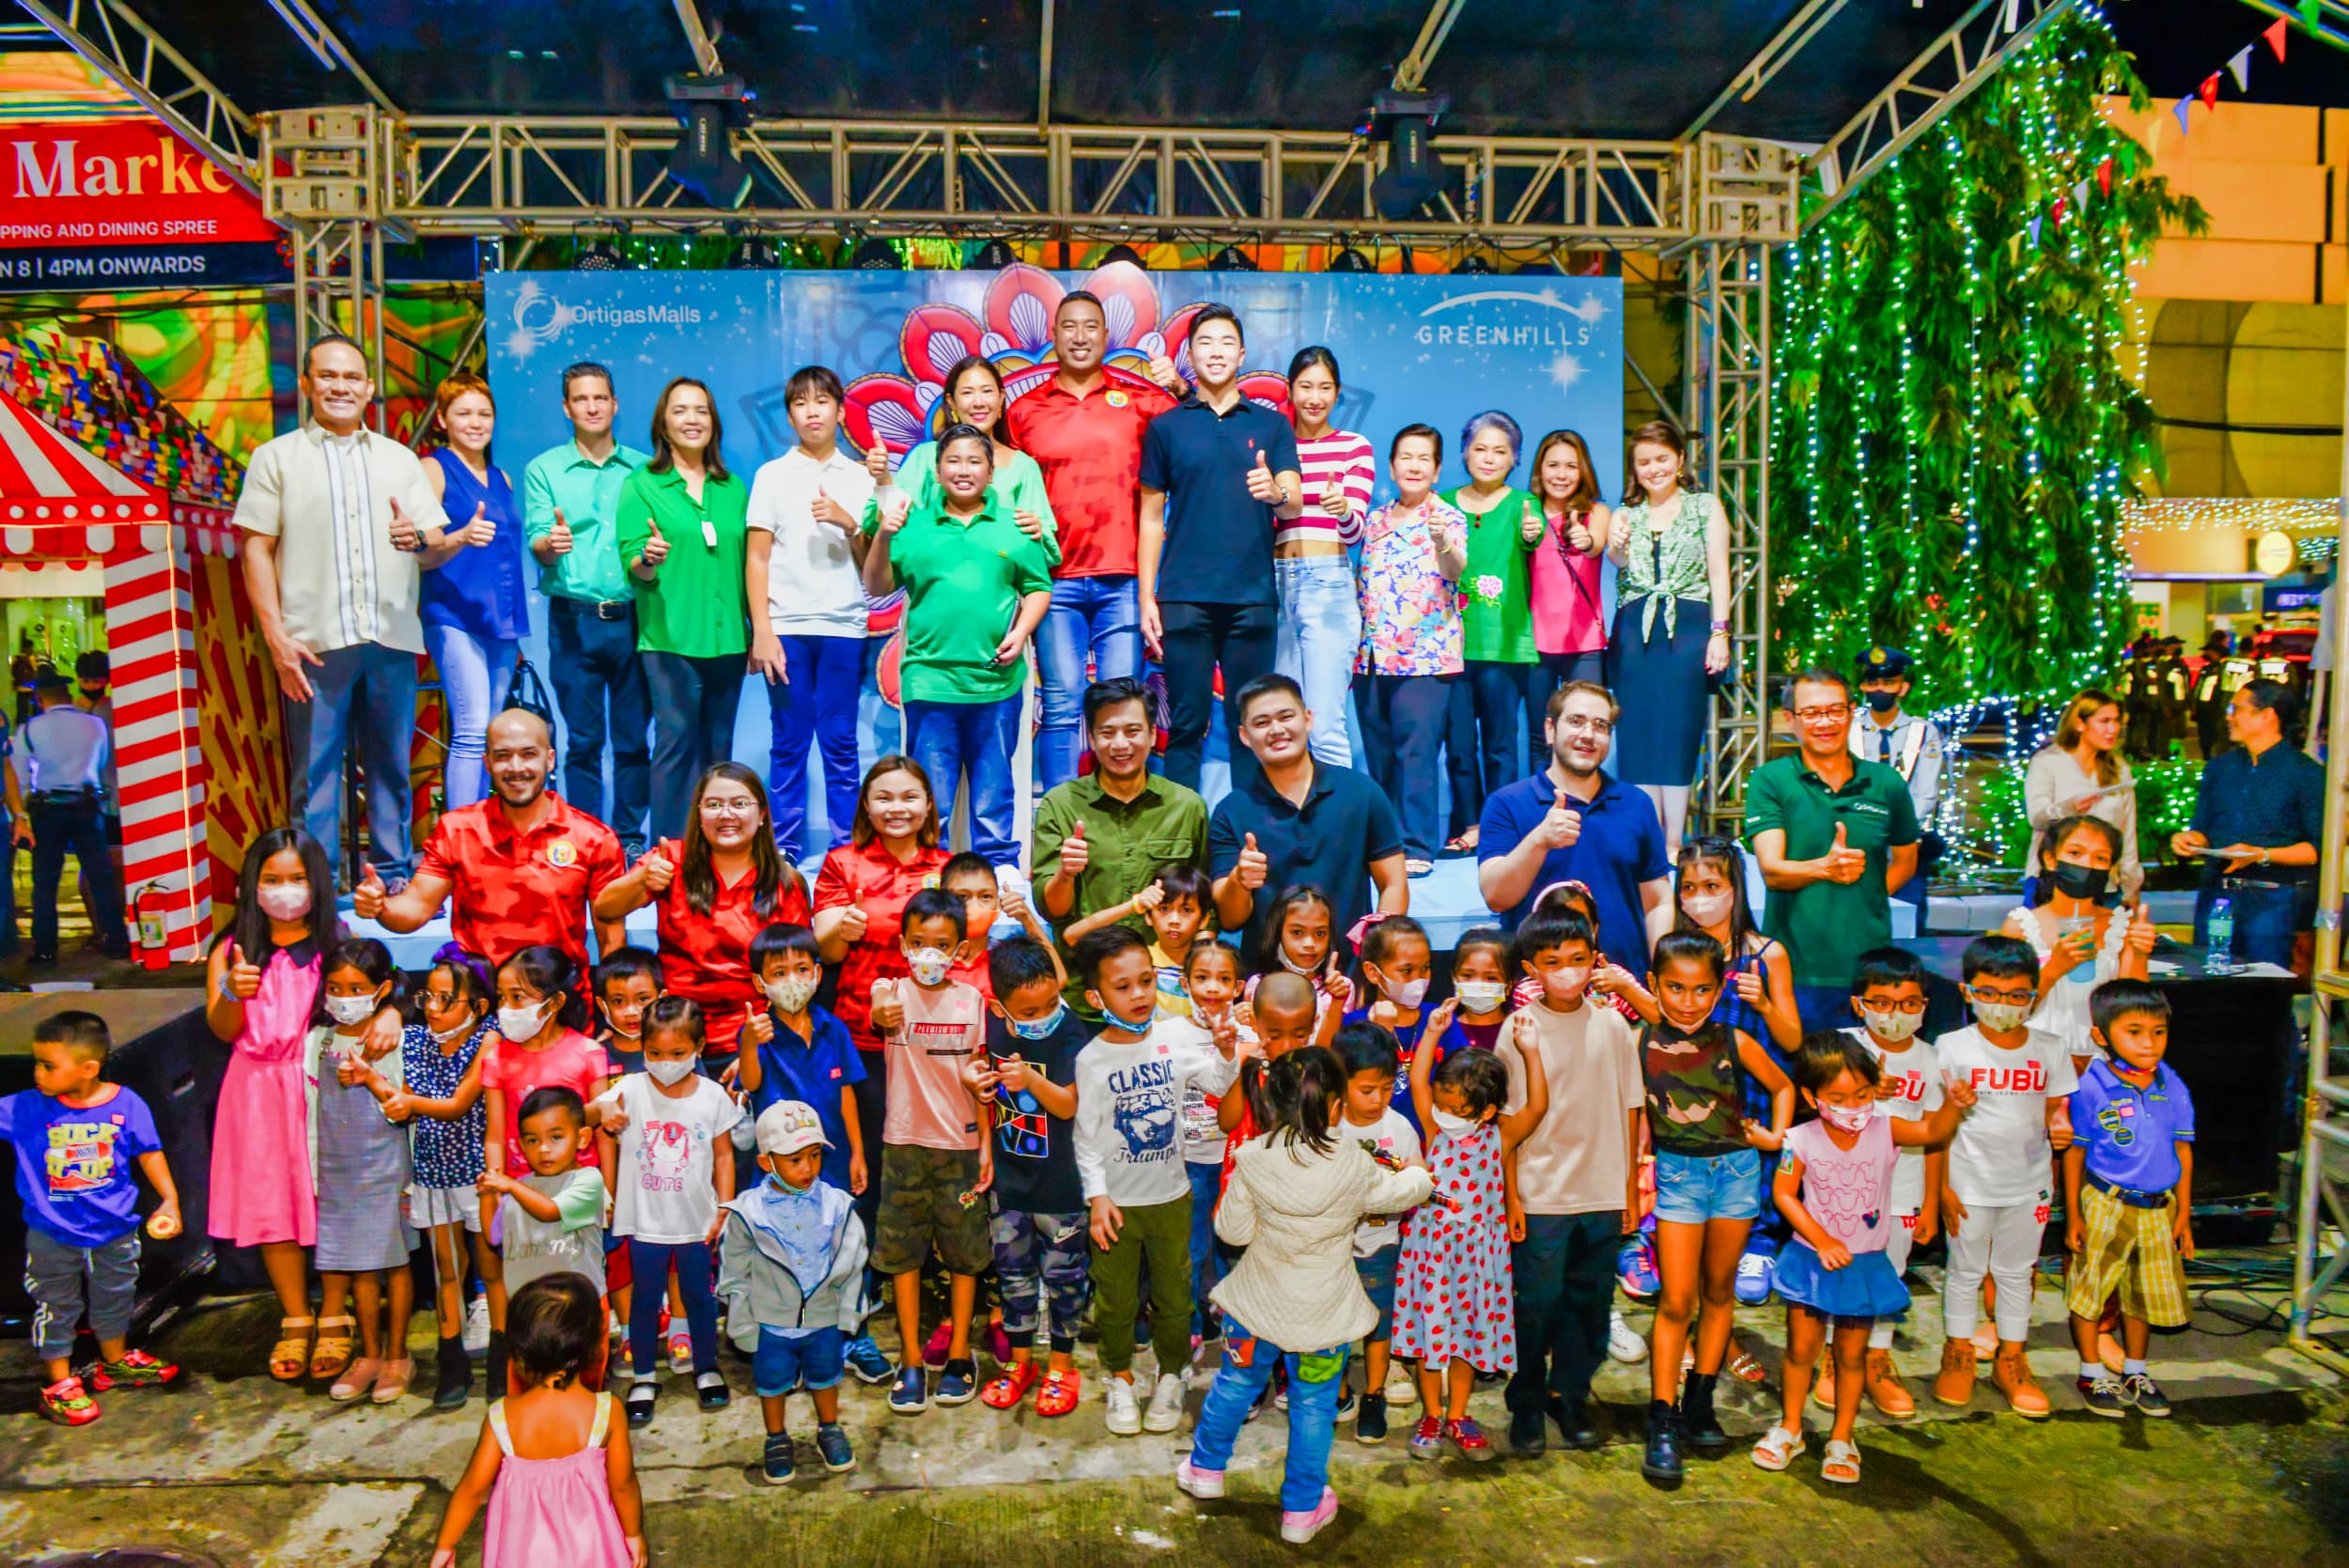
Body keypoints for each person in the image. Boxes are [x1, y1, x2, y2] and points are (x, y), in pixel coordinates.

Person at [1176, 1046, 1435, 1545]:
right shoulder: (1354, 1165)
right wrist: (1419, 1177)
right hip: (1325, 1316)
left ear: (1272, 1102)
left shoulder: (1253, 1156)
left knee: (1235, 1385)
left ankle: (1205, 1471)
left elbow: (1231, 1231)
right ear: (1335, 1106)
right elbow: (1400, 1192)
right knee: (1314, 1406)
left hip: (1254, 1309)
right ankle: (1301, 1510)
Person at [236, 332, 457, 882]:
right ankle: (314, 886)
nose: (340, 386)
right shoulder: (276, 459)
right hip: (311, 645)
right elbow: (255, 548)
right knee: (315, 774)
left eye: (351, 377)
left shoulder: (400, 459)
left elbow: (434, 546)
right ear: (308, 384)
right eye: (328, 376)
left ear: (369, 388)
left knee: (391, 768)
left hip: (390, 639)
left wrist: (420, 542)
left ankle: (391, 876)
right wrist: (276, 638)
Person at [1750, 1032, 1973, 1486]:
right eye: (1838, 1098)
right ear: (1813, 1097)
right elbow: (1784, 1195)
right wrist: (1822, 1239)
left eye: (1863, 1094)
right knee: (1799, 1351)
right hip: (1811, 1261)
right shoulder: (1799, 1139)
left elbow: (1933, 1131)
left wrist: (1954, 1104)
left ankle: (1842, 1438)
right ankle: (1790, 1426)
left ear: (1876, 1088)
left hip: (1864, 1265)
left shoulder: (1887, 1129)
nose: (1853, 1106)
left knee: (1851, 1357)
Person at [812, 755, 953, 1385]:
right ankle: (861, 1307)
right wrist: (839, 928)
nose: (897, 807)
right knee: (864, 1175)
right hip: (863, 1043)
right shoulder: (843, 864)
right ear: (866, 806)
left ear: (929, 805)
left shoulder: (948, 867)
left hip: (936, 1048)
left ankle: (938, 1298)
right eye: (883, 797)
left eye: (910, 796)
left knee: (931, 1169)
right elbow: (827, 952)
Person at [1007, 288, 1181, 787]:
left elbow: (1194, 434)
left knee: (1121, 708)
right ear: (1053, 336)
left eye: (1090, 327)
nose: (1080, 337)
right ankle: (1061, 828)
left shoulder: (1144, 402)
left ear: (1106, 336)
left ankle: (1118, 823)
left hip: (1124, 581)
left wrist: (1182, 389)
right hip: (1053, 582)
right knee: (1061, 705)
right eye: (1069, 327)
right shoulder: (1024, 410)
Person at [1073, 924, 1241, 1436]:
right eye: (1123, 987)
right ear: (1095, 995)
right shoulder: (1092, 1059)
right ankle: (1120, 1377)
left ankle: (1172, 1375)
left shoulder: (1170, 1038)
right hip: (1117, 1207)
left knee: (1175, 1297)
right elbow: (1086, 1137)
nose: (1140, 994)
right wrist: (1097, 1198)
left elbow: (1215, 1083)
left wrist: (1228, 1052)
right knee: (1117, 1301)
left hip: (1172, 1197)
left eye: (1146, 981)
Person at [1637, 931, 1792, 1481]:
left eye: (1701, 990)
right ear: (1655, 984)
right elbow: (1633, 1109)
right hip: (1677, 1176)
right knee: (1677, 1300)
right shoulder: (1640, 1039)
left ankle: (1700, 1404)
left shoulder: (1733, 1039)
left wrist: (1773, 1136)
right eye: (1674, 988)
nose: (1687, 1001)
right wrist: (1639, 1163)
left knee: (1719, 1292)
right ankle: (1662, 1418)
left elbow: (1783, 1085)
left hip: (1737, 1174)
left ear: (1719, 987)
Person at [863, 424, 1054, 868]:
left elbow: (1039, 586)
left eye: (975, 461)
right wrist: (884, 534)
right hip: (930, 681)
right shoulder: (913, 525)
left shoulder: (1015, 526)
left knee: (994, 789)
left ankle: (1000, 872)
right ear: (936, 469)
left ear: (991, 471)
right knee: (932, 792)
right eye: (953, 460)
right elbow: (876, 585)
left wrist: (1021, 631)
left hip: (997, 683)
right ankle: (928, 870)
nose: (963, 470)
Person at [1494, 905, 1645, 1460]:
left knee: (1589, 1301)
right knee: (1535, 1303)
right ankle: (1527, 1400)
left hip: (1603, 1191)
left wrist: (1629, 1189)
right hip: (1540, 1194)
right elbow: (1506, 1122)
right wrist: (1510, 1194)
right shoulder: (1518, 1029)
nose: (1567, 971)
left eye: (1578, 960)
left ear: (1594, 961)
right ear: (1532, 968)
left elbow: (1632, 1108)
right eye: (1554, 962)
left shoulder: (1612, 1024)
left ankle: (1571, 1394)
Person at [1139, 303, 1304, 790]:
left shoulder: (1272, 425)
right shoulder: (1168, 427)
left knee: (1252, 725)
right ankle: (1186, 846)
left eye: (1226, 342)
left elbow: (1292, 503)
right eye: (1205, 342)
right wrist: (1147, 596)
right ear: (1190, 353)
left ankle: (1250, 841)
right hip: (1184, 596)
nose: (1215, 351)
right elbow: (1150, 518)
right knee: (1186, 725)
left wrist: (1276, 492)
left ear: (1243, 353)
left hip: (1251, 597)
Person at [205, 827, 338, 1383]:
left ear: (317, 883)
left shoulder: (334, 945)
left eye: (297, 879)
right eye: (272, 880)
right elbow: (221, 1027)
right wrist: (234, 990)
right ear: (252, 887)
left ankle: (334, 1313)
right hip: (256, 1090)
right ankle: (295, 1314)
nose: (285, 891)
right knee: (272, 1205)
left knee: (328, 1198)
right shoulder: (232, 949)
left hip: (317, 1083)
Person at [4, 1010, 181, 1426]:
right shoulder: (26, 1108)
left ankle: (114, 1360)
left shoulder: (127, 1103)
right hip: (53, 1234)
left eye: (49, 1065)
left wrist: (170, 1200)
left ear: (89, 1068)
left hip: (116, 1230)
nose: (38, 1074)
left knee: (115, 1294)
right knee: (56, 1304)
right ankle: (59, 1382)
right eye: (38, 1063)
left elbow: (149, 1151)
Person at [356, 707, 625, 972]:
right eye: (503, 756)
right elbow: (415, 908)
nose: (516, 768)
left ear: (550, 759)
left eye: (529, 754)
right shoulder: (458, 830)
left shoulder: (593, 839)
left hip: (560, 1005)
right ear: (487, 763)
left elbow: (612, 940)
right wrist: (381, 906)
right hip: (480, 1003)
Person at [1394, 1011, 1549, 1462]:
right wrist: (1433, 1032)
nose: (1443, 1114)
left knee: (1465, 1337)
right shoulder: (1433, 1129)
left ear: (1485, 1111)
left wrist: (1532, 1051)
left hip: (1479, 1258)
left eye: (1455, 1110)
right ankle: (1431, 1414)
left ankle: (1459, 1415)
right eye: (1440, 1105)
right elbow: (1420, 1081)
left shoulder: (1499, 1136)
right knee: (1430, 1338)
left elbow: (1537, 1106)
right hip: (1431, 1254)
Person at [1933, 933, 2077, 1419]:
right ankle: (1958, 1355)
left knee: (2017, 1274)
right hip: (1968, 1184)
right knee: (1965, 1272)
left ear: (2034, 996)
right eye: (1989, 993)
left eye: (2017, 995)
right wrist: (1942, 1188)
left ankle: (2012, 1360)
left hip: (2028, 1185)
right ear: (1967, 991)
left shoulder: (2050, 1048)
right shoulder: (1949, 1048)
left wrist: (2057, 1147)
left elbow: (2056, 1113)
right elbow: (1937, 1126)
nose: (2003, 1006)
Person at [864, 888, 993, 1414]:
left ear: (961, 951)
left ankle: (961, 1354)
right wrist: (880, 1007)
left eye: (941, 945)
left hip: (960, 1146)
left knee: (965, 1256)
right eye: (918, 943)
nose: (929, 955)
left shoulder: (972, 1002)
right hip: (903, 1144)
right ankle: (912, 1360)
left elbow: (982, 1076)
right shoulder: (890, 993)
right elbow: (879, 1010)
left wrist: (986, 1143)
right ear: (902, 944)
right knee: (902, 1258)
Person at [745, 365, 879, 863]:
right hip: (789, 630)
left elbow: (874, 570)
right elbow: (756, 556)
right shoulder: (772, 475)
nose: (812, 411)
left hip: (845, 627)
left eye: (822, 401)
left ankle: (847, 848)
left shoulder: (861, 476)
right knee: (790, 741)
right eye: (800, 403)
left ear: (841, 411)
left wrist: (850, 524)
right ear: (790, 416)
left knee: (841, 742)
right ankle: (783, 847)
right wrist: (763, 630)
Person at [594, 762, 811, 1064]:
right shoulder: (671, 859)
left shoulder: (784, 883)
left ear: (762, 814)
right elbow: (605, 908)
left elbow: (797, 981)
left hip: (756, 1040)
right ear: (699, 813)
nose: (726, 814)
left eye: (739, 804)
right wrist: (641, 879)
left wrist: (755, 1054)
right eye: (713, 805)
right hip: (674, 1038)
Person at [522, 361, 653, 857]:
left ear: (615, 404)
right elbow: (539, 541)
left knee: (633, 740)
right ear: (566, 408)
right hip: (573, 621)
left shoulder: (643, 469)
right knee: (582, 741)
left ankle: (631, 840)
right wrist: (551, 545)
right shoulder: (544, 469)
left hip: (635, 618)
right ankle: (589, 840)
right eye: (581, 399)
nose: (592, 407)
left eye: (600, 398)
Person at [1746, 667, 1921, 1033]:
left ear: (1851, 712)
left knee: (1868, 1082)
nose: (1824, 722)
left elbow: (1906, 861)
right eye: (1811, 713)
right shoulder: (1771, 780)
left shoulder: (1885, 783)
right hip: (1793, 969)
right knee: (1798, 1080)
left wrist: (1864, 897)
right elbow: (1773, 871)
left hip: (1870, 971)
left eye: (1835, 710)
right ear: (1791, 719)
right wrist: (1825, 869)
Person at [593, 996, 741, 1426]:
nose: (664, 1063)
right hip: (644, 1224)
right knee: (643, 1301)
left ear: (699, 1047)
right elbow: (591, 1111)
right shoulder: (629, 1089)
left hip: (696, 1223)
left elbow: (724, 1156)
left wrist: (725, 1207)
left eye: (677, 1054)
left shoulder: (712, 1096)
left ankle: (706, 1367)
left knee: (699, 1297)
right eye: (654, 1053)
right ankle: (643, 1375)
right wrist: (601, 1110)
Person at [429, 1273, 646, 1568]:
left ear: (519, 1354)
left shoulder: (503, 1418)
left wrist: (445, 1545)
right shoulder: (607, 1412)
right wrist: (633, 1534)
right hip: (591, 1550)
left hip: (522, 1554)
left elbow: (471, 1489)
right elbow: (623, 1485)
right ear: (594, 1346)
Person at [615, 375, 751, 842]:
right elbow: (634, 563)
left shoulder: (732, 487)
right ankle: (670, 852)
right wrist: (648, 559)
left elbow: (747, 561)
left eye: (701, 411)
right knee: (675, 746)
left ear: (713, 422)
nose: (692, 420)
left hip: (730, 639)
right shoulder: (642, 485)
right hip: (670, 640)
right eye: (680, 410)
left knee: (719, 751)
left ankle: (718, 848)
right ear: (662, 423)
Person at [362, 943, 493, 1410]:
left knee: (491, 1268)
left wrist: (409, 1104)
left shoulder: (489, 1038)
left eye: (446, 999)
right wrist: (370, 1078)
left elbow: (459, 1104)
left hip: (480, 1176)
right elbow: (398, 1095)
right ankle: (451, 1358)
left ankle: (500, 1355)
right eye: (428, 997)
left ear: (477, 1007)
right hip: (434, 1174)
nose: (433, 1008)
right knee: (446, 1271)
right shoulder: (415, 1038)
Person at [1032, 677, 1213, 1015]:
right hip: (1085, 993)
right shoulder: (1060, 805)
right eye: (1107, 732)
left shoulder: (1187, 806)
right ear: (1091, 736)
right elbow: (1051, 909)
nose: (1120, 744)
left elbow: (1205, 907)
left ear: (1151, 733)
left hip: (1168, 1001)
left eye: (1132, 731)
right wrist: (1066, 873)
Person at [477, 945, 611, 1393]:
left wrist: (608, 1190)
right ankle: (525, 1376)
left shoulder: (587, 1052)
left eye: (518, 997)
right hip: (518, 1194)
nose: (506, 1009)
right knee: (530, 1291)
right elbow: (496, 1132)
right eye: (501, 997)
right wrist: (496, 1189)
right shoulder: (498, 1058)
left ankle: (584, 1381)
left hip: (572, 1198)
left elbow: (601, 1124)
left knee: (575, 1290)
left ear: (552, 1003)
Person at [718, 1099, 868, 1484]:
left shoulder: (836, 1206)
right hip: (771, 1321)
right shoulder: (749, 1213)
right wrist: (742, 1323)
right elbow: (734, 1271)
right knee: (770, 1382)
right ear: (766, 1162)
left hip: (822, 1318)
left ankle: (829, 1428)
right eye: (795, 1159)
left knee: (827, 1376)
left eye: (815, 1156)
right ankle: (776, 1437)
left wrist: (848, 1313)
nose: (808, 1168)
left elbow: (853, 1261)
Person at [972, 936, 1092, 1416]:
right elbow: (979, 1077)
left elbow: (1068, 1104)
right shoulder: (994, 1029)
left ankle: (1062, 1366)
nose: (1042, 1014)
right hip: (1009, 1184)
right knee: (1014, 1277)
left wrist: (1032, 1081)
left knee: (1064, 1279)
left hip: (1063, 1188)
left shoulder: (1071, 1031)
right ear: (1000, 1007)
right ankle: (1020, 1364)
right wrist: (974, 1083)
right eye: (1029, 1010)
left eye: (1049, 1003)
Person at [1208, 674, 1408, 962]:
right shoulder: (1231, 811)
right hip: (1267, 989)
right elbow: (1230, 919)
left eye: (1286, 716)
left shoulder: (1361, 793)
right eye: (1262, 723)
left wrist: (1372, 954)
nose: (1276, 729)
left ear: (1308, 719)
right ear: (1244, 736)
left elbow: (1394, 883)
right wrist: (1239, 880)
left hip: (1349, 979)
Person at [2062, 980, 2193, 1420]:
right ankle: (2090, 1370)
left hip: (2158, 1206)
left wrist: (2185, 1214)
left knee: (2144, 1294)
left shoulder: (2172, 1085)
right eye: (2134, 1031)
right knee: (2092, 1290)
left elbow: (2183, 1149)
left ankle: (2136, 1369)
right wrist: (2074, 1217)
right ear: (2102, 1036)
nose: (2148, 1043)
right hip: (2105, 1202)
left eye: (2158, 1032)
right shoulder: (2091, 1086)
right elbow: (2075, 1151)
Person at [1478, 680, 1672, 972]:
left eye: (1600, 726)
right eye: (1576, 721)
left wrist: (1662, 973)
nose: (1588, 735)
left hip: (1624, 993)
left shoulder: (1637, 804)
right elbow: (1496, 897)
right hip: (1537, 998)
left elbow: (1657, 901)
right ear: (1550, 729)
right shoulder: (1507, 803)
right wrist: (1539, 840)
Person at [1604, 420, 1732, 858]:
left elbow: (1719, 572)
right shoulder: (1625, 514)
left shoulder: (1705, 507)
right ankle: (1648, 837)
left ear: (1679, 459)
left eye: (1661, 459)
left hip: (1691, 624)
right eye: (1643, 462)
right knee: (1638, 732)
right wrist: (1615, 544)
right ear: (1633, 469)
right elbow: (1619, 564)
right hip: (1635, 627)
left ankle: (1675, 840)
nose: (1653, 469)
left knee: (1677, 732)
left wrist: (1720, 632)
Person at [1826, 946, 1942, 1419]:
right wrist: (1861, 1089)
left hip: (1904, 1190)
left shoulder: (1931, 1059)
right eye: (1882, 1003)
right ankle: (1835, 1358)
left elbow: (1936, 1136)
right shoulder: (1839, 1045)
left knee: (1889, 1274)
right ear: (1860, 1004)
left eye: (1909, 1004)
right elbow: (1815, 1110)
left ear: (1924, 1007)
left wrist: (1932, 1203)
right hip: (1843, 1191)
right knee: (1843, 1271)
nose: (1896, 1015)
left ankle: (1877, 1357)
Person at [1354, 424, 1468, 874]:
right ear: (1392, 466)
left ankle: (1417, 847)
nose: (1414, 465)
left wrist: (1442, 540)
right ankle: (1384, 849)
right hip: (1372, 658)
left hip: (1425, 656)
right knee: (1378, 756)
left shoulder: (1447, 516)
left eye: (1424, 458)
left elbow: (1455, 568)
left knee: (1416, 756)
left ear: (1437, 469)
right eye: (1406, 457)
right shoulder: (1376, 520)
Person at [309, 937, 417, 1404]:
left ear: (382, 989)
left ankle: (398, 1355)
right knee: (357, 1268)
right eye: (335, 987)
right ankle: (369, 1355)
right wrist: (314, 1173)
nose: (344, 998)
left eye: (356, 988)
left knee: (394, 1261)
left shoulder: (397, 1039)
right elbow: (311, 1107)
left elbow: (405, 1108)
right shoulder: (318, 1041)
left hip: (388, 1166)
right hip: (337, 1169)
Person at [421, 373, 532, 812]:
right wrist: (460, 536)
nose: (475, 422)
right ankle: (457, 850)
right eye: (463, 413)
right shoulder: (434, 468)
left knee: (492, 735)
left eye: (484, 413)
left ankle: (485, 835)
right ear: (444, 419)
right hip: (454, 615)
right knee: (470, 731)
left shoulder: (502, 476)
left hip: (501, 624)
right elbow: (423, 550)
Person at [1439, 410, 1546, 846]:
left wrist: (1532, 530)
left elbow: (1532, 537)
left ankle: (1501, 828)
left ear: (1515, 458)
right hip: (1449, 644)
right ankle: (1467, 827)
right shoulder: (1441, 502)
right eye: (1480, 449)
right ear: (1464, 452)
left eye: (1500, 451)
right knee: (1460, 746)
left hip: (1504, 644)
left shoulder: (1524, 503)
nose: (1488, 458)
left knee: (1502, 746)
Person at [2170, 677, 2324, 972]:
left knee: (2264, 988)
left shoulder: (2306, 773)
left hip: (2272, 899)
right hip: (2217, 895)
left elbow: (2316, 849)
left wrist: (2261, 854)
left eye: (2237, 709)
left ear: (2267, 715)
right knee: (2208, 985)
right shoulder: (2220, 767)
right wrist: (2190, 841)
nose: (2229, 716)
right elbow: (2202, 827)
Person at [863, 355, 1061, 565]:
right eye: (967, 393)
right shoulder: (926, 457)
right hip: (931, 587)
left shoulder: (1022, 466)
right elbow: (892, 525)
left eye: (987, 391)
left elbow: (1042, 554)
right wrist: (883, 478)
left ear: (1001, 398)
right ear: (951, 402)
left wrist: (1037, 532)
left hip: (1000, 591)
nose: (978, 402)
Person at [1276, 346, 1373, 767]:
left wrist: (1342, 509)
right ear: (1290, 390)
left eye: (1325, 388)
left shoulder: (1354, 446)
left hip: (1327, 581)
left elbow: (1355, 534)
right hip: (1274, 585)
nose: (1314, 397)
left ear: (1337, 395)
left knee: (1325, 725)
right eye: (1305, 387)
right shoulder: (1274, 445)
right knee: (1281, 724)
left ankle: (1339, 831)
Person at [2004, 815, 2155, 1071]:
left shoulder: (2120, 926)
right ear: (2051, 860)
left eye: (2101, 858)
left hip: (2102, 1064)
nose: (2087, 865)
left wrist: (2140, 954)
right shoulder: (2020, 926)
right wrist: (2055, 967)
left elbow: (2133, 1011)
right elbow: (2005, 1013)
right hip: (2033, 1063)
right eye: (2075, 853)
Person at [1333, 1023, 1424, 1446]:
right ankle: (1336, 1392)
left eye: (1386, 1089)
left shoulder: (1399, 1127)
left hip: (1381, 1243)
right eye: (1367, 1090)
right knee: (1333, 1320)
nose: (1378, 1100)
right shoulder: (1328, 1126)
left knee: (1377, 1323)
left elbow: (1416, 1178)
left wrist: (1410, 1183)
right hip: (1331, 1244)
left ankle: (1374, 1394)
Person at [735, 921, 867, 1194]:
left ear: (818, 973)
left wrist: (857, 1152)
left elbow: (845, 1093)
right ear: (759, 983)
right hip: (779, 1166)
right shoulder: (756, 1033)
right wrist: (748, 1045)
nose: (793, 981)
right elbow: (750, 1082)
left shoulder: (834, 1029)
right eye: (780, 973)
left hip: (832, 1158)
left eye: (802, 970)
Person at [19, 672, 126, 961]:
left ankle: (44, 948)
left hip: (48, 809)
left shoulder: (31, 728)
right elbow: (102, 762)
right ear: (67, 696)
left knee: (45, 881)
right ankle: (116, 940)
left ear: (40, 700)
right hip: (86, 805)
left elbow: (20, 773)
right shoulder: (95, 725)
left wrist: (20, 816)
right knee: (100, 876)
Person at [479, 1086, 607, 1299]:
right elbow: (494, 1236)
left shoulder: (587, 1179)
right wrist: (485, 1195)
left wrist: (510, 1186)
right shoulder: (519, 1187)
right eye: (532, 1140)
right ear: (521, 1145)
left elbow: (550, 1211)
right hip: (530, 1306)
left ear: (582, 1138)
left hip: (579, 1303)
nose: (543, 1149)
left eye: (556, 1137)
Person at [2025, 687, 2141, 905]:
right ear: (2080, 724)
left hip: (2104, 884)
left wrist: (2131, 884)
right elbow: (2037, 818)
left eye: (2116, 721)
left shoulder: (2118, 768)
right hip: (2055, 883)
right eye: (2104, 721)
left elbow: (2127, 832)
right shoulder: (2048, 762)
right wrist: (2068, 808)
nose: (2113, 729)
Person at [1851, 646, 1946, 911]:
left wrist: (1896, 831)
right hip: (1857, 841)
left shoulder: (1923, 731)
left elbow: (1925, 793)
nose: (1880, 689)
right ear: (1863, 686)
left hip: (1904, 843)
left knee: (1906, 919)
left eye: (1888, 683)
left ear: (1903, 688)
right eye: (1873, 683)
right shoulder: (1849, 729)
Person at [1526, 428, 1613, 696]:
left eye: (1571, 466)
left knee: (1587, 727)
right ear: (1540, 469)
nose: (1561, 475)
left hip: (1584, 643)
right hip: (1533, 645)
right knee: (1539, 734)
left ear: (1583, 470)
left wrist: (1584, 540)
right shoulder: (1526, 512)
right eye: (1553, 465)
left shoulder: (1597, 512)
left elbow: (1595, 545)